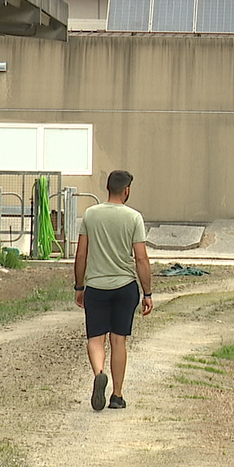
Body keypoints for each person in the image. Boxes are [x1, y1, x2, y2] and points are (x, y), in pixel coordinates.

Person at [74, 169, 153, 411]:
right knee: (119, 341)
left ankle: (99, 372)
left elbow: (81, 254)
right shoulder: (133, 218)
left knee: (96, 339)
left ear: (108, 188)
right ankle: (117, 395)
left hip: (96, 287)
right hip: (125, 287)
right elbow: (140, 258)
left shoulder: (91, 215)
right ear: (127, 190)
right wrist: (147, 293)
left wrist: (80, 286)